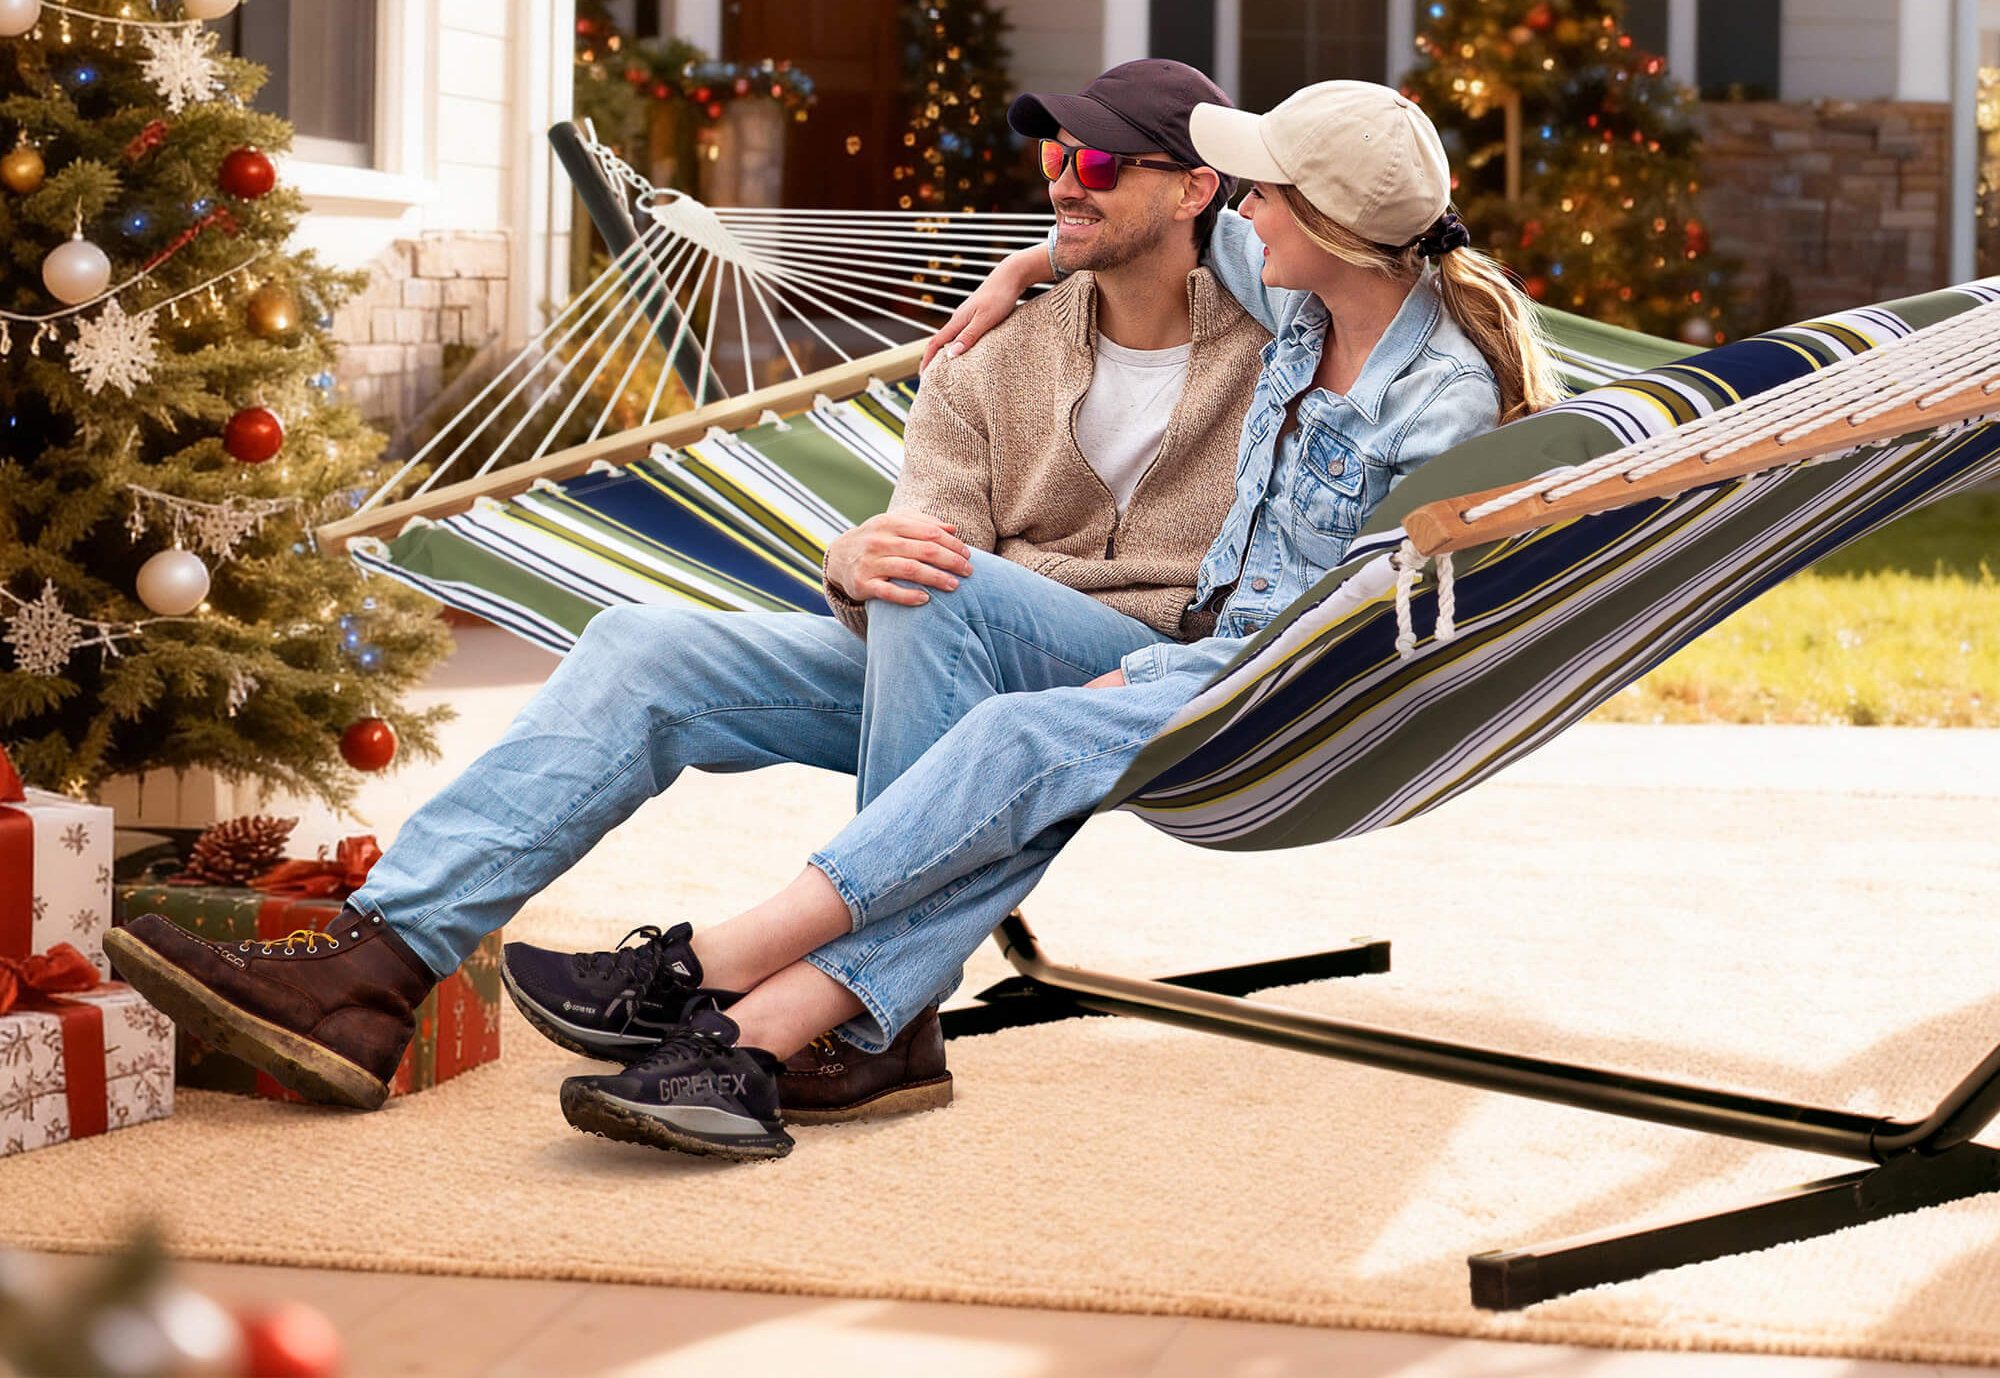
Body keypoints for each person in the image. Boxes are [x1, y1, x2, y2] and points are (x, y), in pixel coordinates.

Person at [105, 61, 1272, 1120]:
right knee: (642, 645)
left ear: (1196, 191)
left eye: (1105, 163)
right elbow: (929, 539)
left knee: (939, 585)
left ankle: (869, 1010)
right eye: (1055, 159)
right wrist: (850, 561)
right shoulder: (989, 352)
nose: (1067, 183)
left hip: (1162, 680)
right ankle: (377, 967)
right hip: (963, 647)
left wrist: (1023, 270)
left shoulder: (1282, 334)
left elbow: (1382, 259)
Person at [544, 78, 1565, 1161]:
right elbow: (1134, 240)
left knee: (1016, 739)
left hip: (1285, 699)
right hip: (1212, 653)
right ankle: (761, 1040)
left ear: (1331, 224)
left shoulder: (1435, 401)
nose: (1245, 211)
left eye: (1263, 192)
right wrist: (1025, 267)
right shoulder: (1301, 300)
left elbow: (1357, 625)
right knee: (985, 696)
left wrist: (1159, 683)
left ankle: (715, 972)